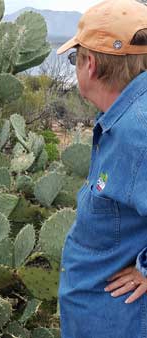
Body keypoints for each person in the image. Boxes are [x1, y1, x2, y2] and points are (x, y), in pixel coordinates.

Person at [56, 0, 147, 337]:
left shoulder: (138, 131)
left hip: (119, 323)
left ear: (90, 64)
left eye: (74, 58)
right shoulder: (126, 118)